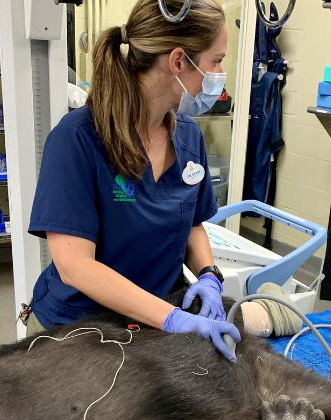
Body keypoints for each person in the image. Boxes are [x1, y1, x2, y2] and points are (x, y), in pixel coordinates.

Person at [24, 0, 243, 360]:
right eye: (216, 61)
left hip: (153, 317)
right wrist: (172, 319)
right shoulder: (78, 138)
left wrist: (208, 275)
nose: (220, 73)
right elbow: (75, 265)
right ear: (178, 61)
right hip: (78, 325)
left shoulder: (188, 137)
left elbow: (193, 224)